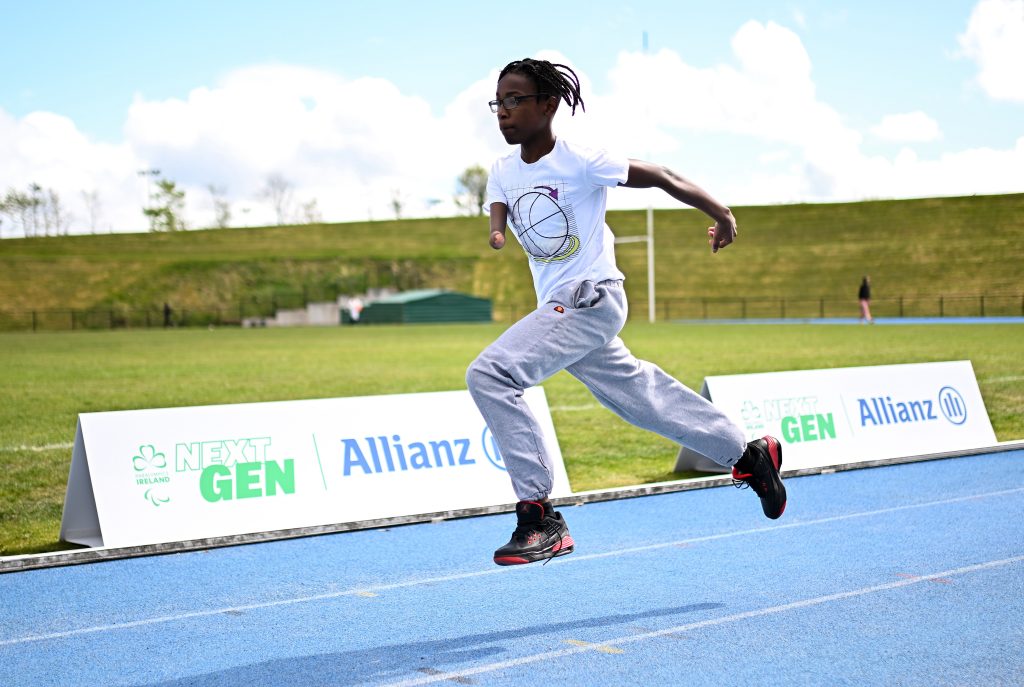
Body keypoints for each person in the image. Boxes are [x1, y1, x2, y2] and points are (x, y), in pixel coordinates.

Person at [466, 58, 787, 567]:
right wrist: (496, 230)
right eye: (497, 103)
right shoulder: (504, 170)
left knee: (491, 373)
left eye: (515, 100)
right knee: (639, 397)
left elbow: (661, 175)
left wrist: (721, 212)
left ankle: (539, 517)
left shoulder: (581, 159)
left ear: (549, 105)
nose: (502, 112)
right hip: (559, 308)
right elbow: (498, 204)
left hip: (589, 296)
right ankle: (747, 455)